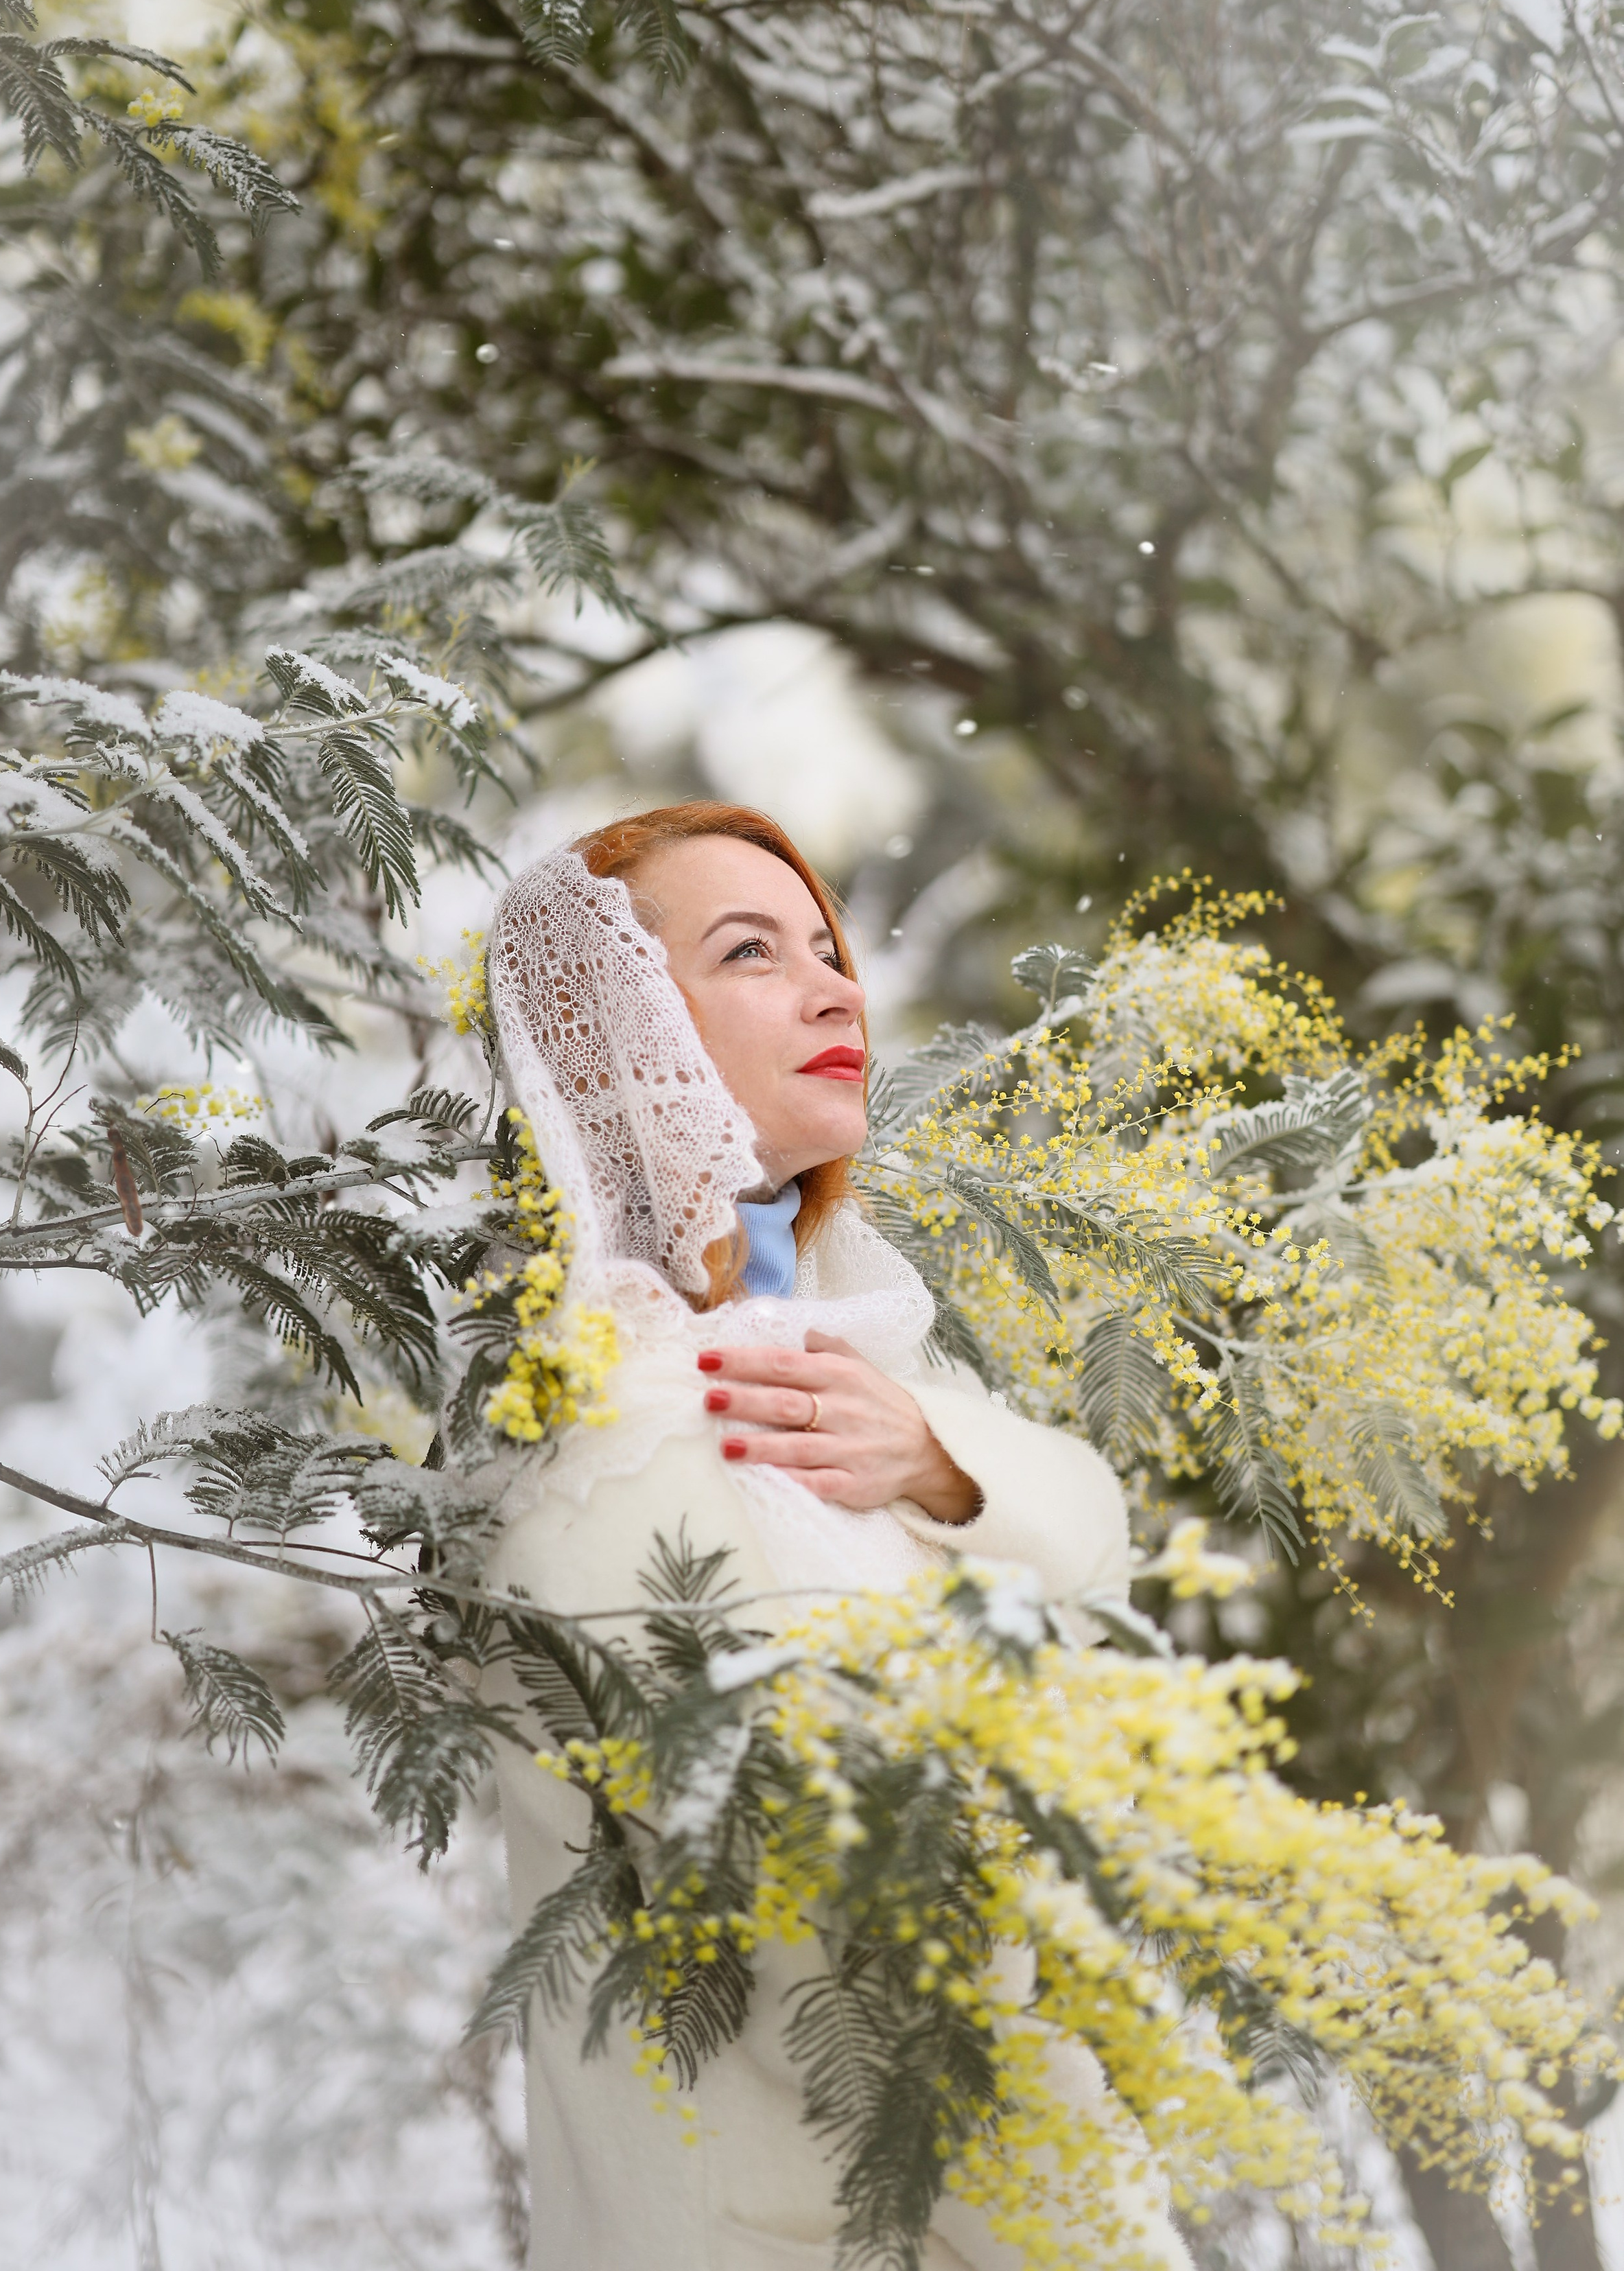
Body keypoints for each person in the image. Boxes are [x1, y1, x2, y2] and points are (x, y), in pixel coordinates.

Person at [478, 802, 1190, 2271]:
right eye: (750, 952)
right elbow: (890, 1986)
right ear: (615, 1038)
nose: (835, 989)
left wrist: (939, 1462)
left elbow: (1088, 1527)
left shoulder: (825, 1355)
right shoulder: (633, 1441)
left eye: (827, 947)